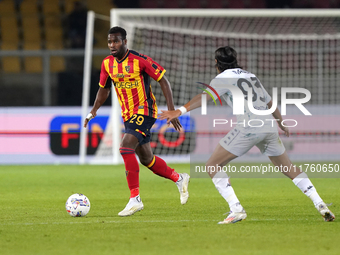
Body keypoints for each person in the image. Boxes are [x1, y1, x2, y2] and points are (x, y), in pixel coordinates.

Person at [159, 46, 335, 224]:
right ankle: (320, 203)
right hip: (268, 126)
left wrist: (179, 111)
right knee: (289, 168)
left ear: (216, 63)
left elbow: (204, 97)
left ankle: (236, 209)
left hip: (249, 127)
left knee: (212, 165)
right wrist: (281, 122)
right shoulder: (251, 76)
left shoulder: (223, 78)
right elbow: (269, 102)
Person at [84, 26, 190, 217]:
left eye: (116, 41)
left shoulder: (140, 60)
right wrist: (94, 110)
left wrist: (173, 109)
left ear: (125, 42)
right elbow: (104, 89)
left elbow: (163, 80)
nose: (112, 45)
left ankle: (135, 199)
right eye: (109, 41)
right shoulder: (107, 63)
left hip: (145, 110)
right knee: (147, 159)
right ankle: (179, 178)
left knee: (125, 148)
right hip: (127, 115)